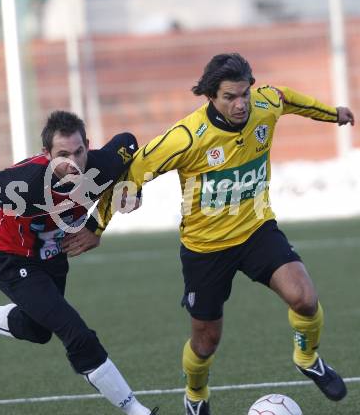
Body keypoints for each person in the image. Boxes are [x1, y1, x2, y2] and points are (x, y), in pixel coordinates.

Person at [63, 53, 355, 415]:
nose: (240, 104)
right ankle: (196, 393)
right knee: (206, 342)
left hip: (256, 230)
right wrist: (96, 225)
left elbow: (289, 98)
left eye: (244, 94)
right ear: (211, 97)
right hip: (205, 250)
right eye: (230, 97)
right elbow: (134, 168)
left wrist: (332, 113)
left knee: (305, 297)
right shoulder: (186, 137)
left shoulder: (264, 105)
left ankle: (307, 357)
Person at [0, 110, 159, 415]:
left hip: (53, 259)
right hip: (10, 259)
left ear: (88, 146)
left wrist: (134, 190)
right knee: (74, 332)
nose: (73, 162)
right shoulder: (24, 184)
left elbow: (129, 144)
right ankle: (136, 409)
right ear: (46, 154)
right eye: (62, 154)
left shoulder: (101, 165)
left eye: (79, 151)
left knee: (38, 330)